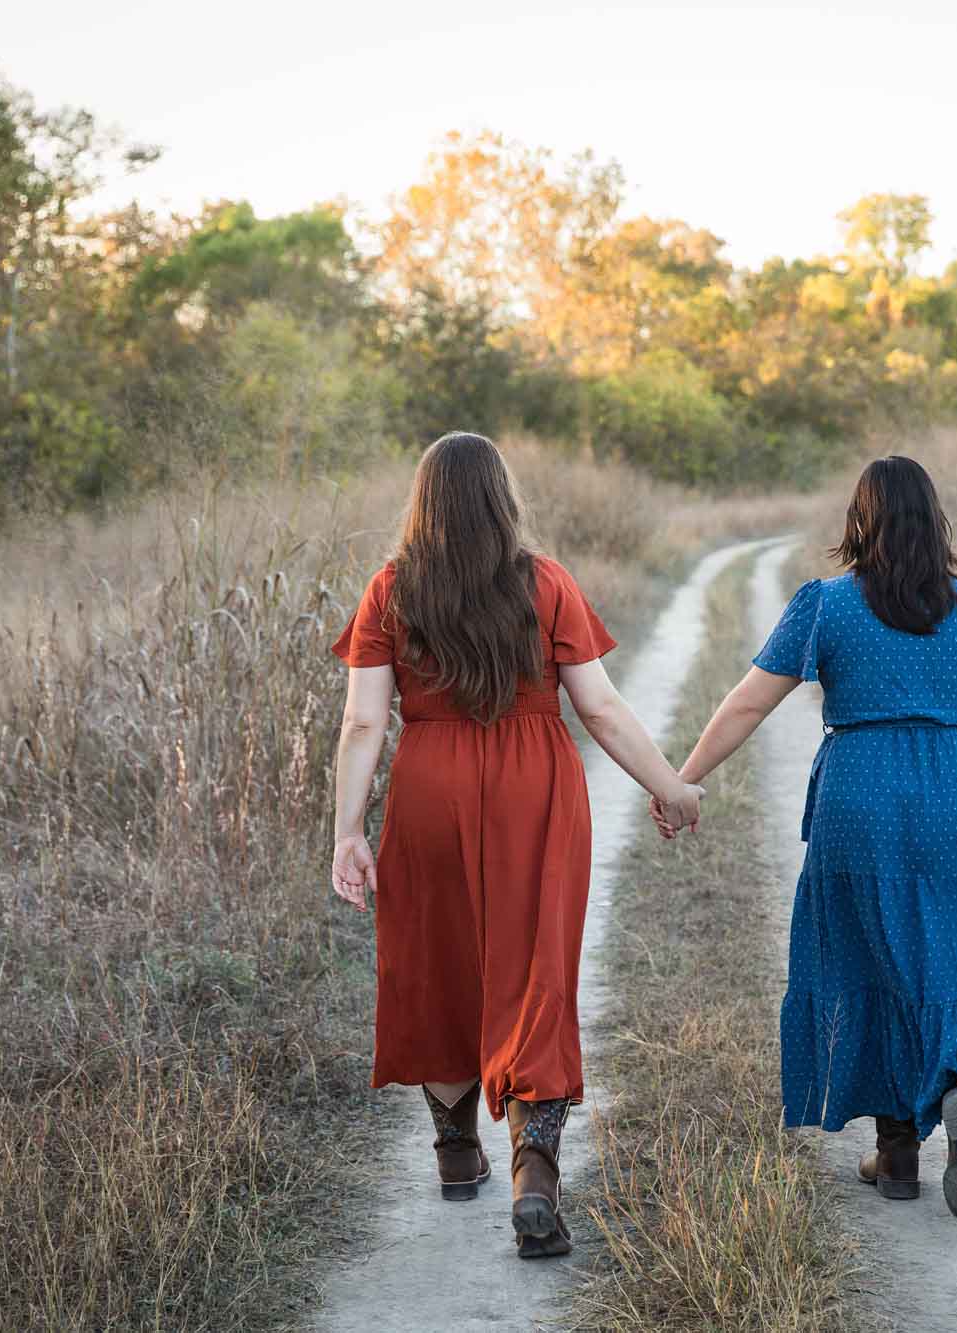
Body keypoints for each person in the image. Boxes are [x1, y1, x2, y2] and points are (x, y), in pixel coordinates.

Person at [657, 455, 957, 1219]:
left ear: (859, 521)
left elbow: (748, 703)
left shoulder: (828, 606)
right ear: (935, 521)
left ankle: (898, 1151)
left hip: (861, 794)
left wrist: (681, 780)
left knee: (869, 956)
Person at [329, 432, 703, 1259]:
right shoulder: (546, 583)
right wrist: (669, 785)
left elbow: (362, 722)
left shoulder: (391, 590)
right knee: (535, 971)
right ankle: (534, 1168)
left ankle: (456, 1148)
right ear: (503, 500)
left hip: (429, 788)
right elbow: (600, 709)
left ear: (423, 503)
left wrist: (348, 830)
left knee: (438, 960)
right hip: (535, 789)